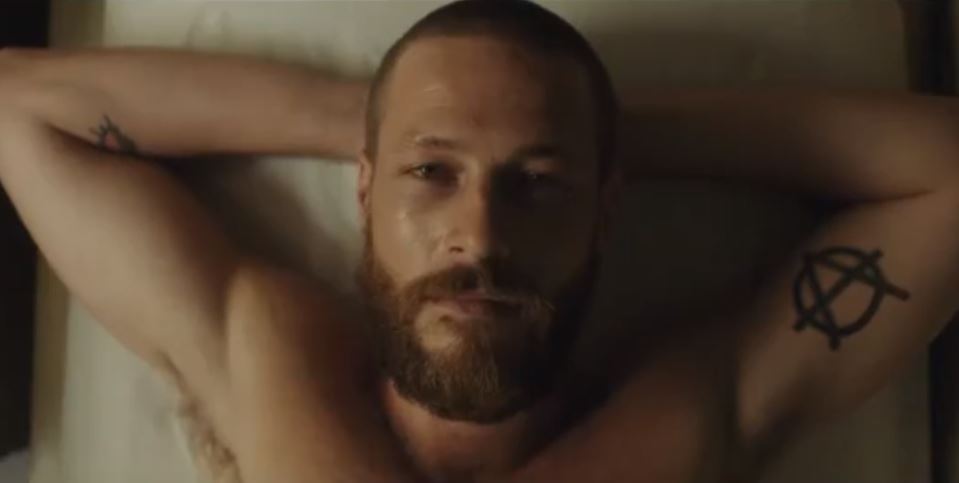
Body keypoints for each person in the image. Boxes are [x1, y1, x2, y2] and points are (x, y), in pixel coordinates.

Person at [2, 1, 958, 482]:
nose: (480, 234)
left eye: (536, 184)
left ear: (605, 208)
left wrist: (598, 136)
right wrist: (376, 123)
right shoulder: (267, 365)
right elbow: (19, 109)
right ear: (364, 189)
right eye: (431, 175)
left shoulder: (683, 419)